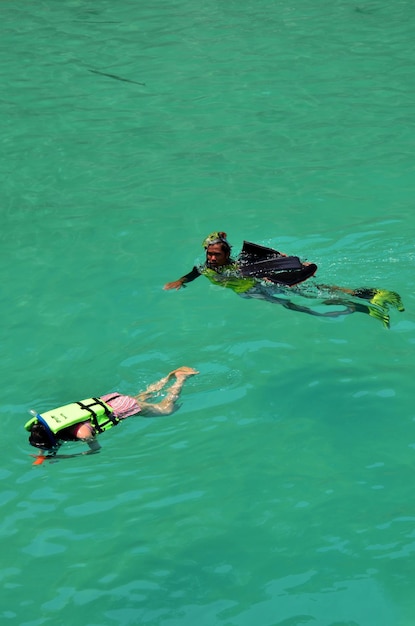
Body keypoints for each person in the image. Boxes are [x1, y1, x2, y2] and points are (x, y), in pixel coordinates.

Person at [164, 231, 404, 328]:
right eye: (209, 253)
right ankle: (362, 301)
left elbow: (268, 264)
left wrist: (296, 267)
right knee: (310, 294)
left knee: (303, 300)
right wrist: (180, 281)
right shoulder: (205, 267)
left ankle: (361, 300)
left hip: (258, 289)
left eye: (216, 254)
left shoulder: (240, 266)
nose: (212, 257)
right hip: (256, 288)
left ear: (227, 254)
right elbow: (195, 272)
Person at [26, 366, 198, 462]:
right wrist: (43, 456)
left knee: (166, 409)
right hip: (110, 400)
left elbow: (95, 450)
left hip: (124, 407)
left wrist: (64, 457)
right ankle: (167, 378)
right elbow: (45, 434)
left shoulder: (83, 433)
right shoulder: (49, 422)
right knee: (144, 396)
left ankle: (181, 378)